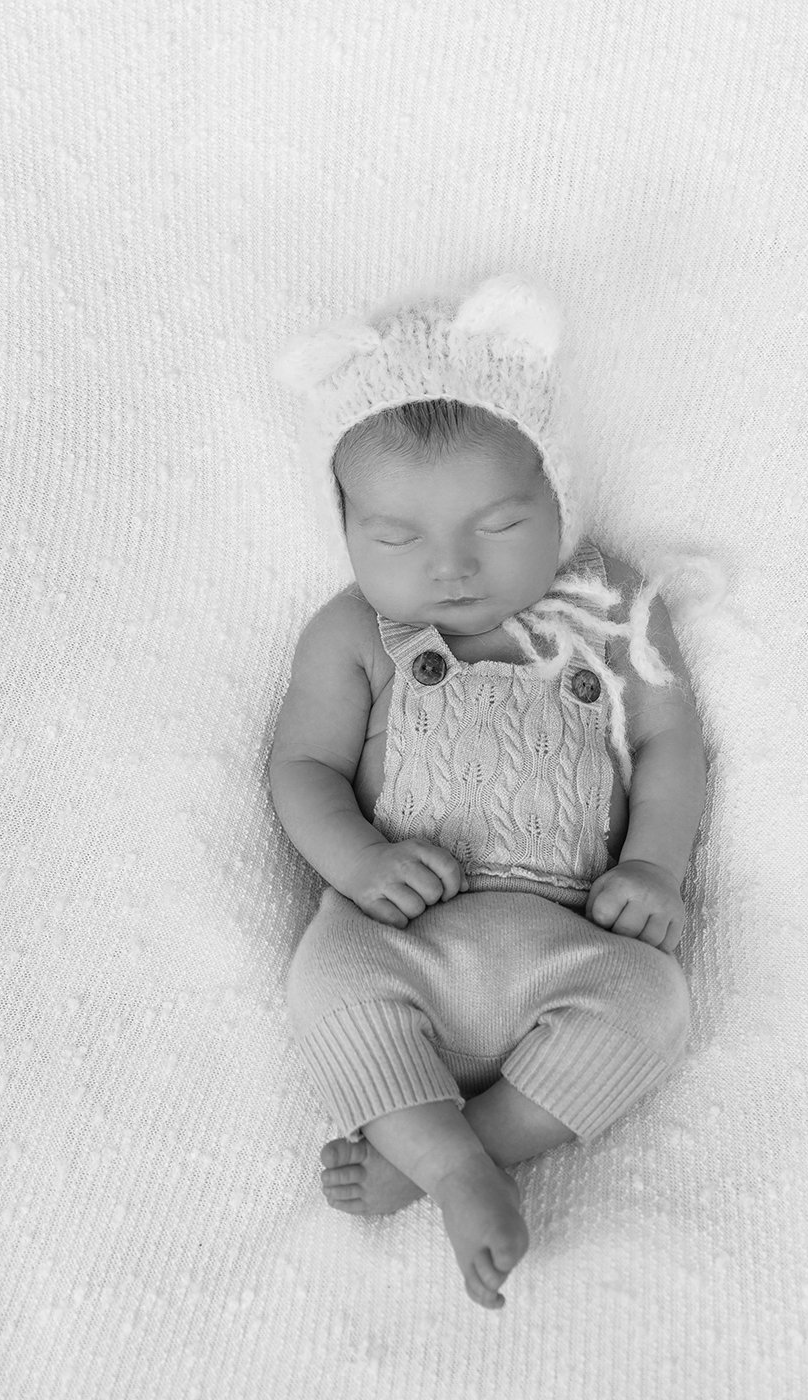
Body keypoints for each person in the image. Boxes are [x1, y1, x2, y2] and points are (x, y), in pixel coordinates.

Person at [270, 274, 710, 1311]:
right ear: (347, 531)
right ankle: (455, 1163)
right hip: (404, 938)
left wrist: (653, 864)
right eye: (396, 538)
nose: (451, 567)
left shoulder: (611, 611)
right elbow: (302, 768)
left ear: (558, 495)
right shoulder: (353, 632)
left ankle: (456, 1152)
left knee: (654, 1000)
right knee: (327, 979)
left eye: (501, 524)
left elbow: (668, 739)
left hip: (570, 942)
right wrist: (359, 863)